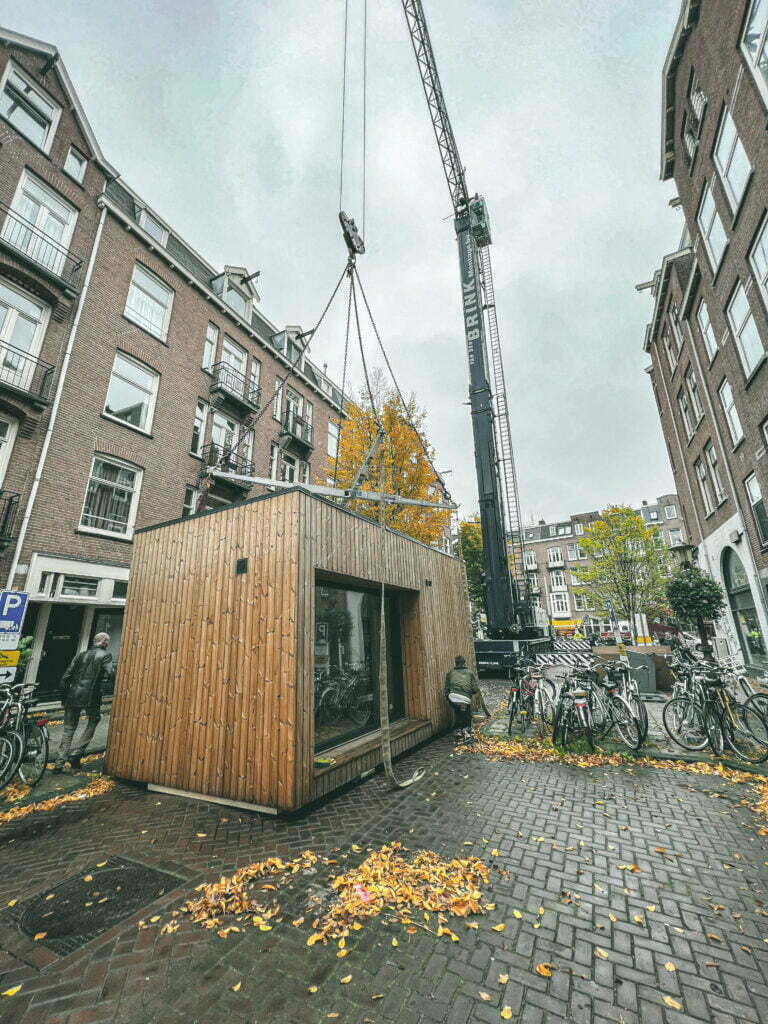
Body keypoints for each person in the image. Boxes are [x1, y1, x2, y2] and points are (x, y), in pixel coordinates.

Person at [53, 632, 114, 772]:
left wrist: (64, 697)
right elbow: (111, 673)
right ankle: (76, 753)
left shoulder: (81, 655)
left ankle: (59, 763)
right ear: (104, 641)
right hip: (91, 696)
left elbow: (66, 676)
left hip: (72, 695)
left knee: (68, 729)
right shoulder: (105, 655)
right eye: (108, 641)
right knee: (94, 719)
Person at [444, 654, 482, 743]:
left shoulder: (450, 673)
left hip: (453, 698)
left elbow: (447, 689)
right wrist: (470, 692)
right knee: (467, 716)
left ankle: (457, 732)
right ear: (464, 663)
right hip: (465, 698)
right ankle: (466, 732)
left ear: (455, 663)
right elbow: (475, 689)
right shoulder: (470, 673)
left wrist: (448, 699)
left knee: (457, 712)